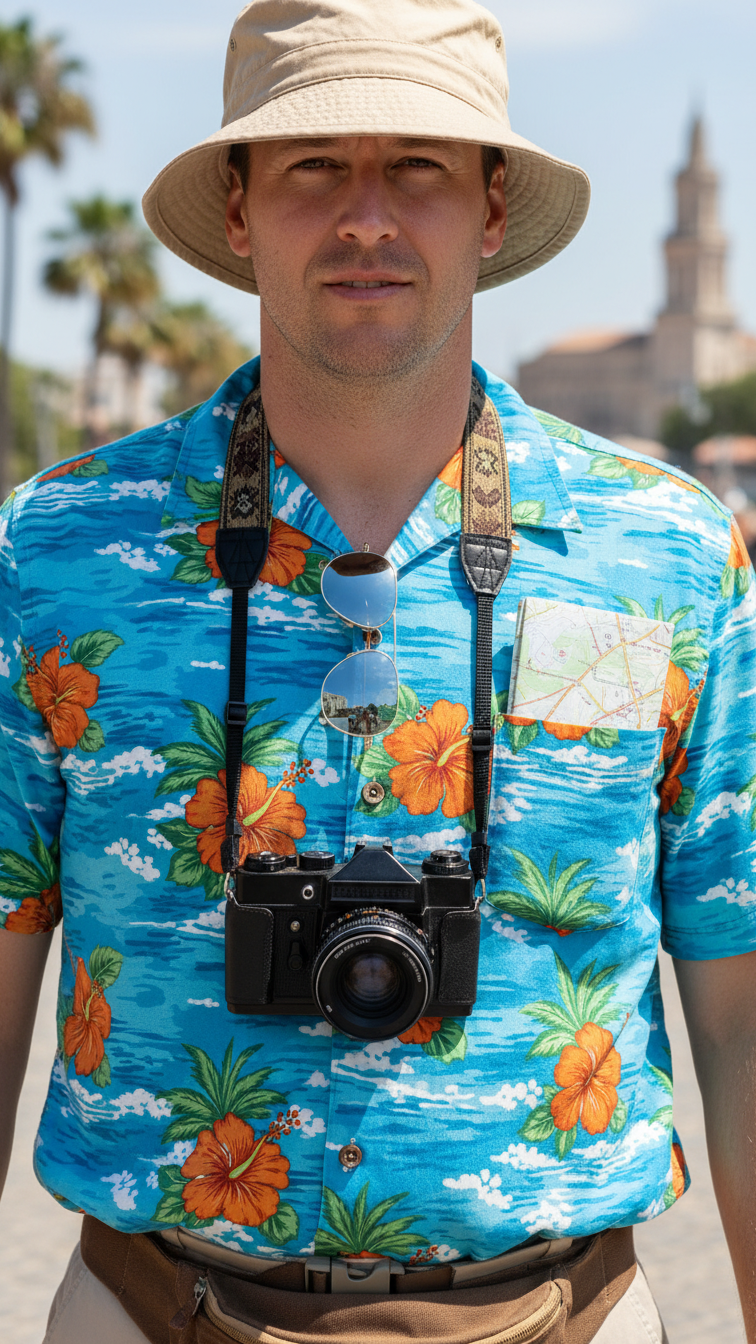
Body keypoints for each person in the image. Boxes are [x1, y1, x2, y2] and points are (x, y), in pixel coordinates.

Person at [1, 1, 755, 1340]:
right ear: (236, 210)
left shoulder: (670, 560)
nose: (365, 215)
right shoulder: (54, 557)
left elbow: (744, 1019)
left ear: (489, 203)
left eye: (417, 163)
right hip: (145, 1304)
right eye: (309, 166)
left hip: (565, 1313)